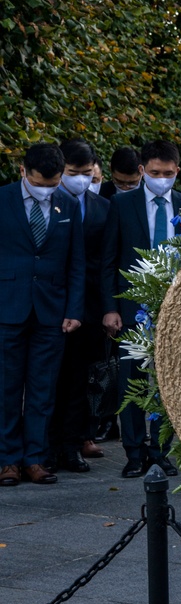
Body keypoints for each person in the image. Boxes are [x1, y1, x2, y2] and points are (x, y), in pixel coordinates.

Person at [0, 143, 85, 487]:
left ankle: (35, 458)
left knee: (42, 388)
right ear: (23, 171)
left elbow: (77, 262)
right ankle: (7, 460)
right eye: (40, 183)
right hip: (7, 305)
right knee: (6, 387)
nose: (47, 190)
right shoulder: (2, 199)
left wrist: (74, 309)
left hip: (52, 311)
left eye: (53, 183)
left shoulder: (69, 202)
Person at [102, 140, 181, 478]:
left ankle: (161, 450)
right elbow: (108, 260)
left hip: (178, 304)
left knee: (170, 379)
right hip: (132, 304)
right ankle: (135, 452)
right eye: (154, 173)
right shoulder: (121, 205)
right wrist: (110, 307)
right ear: (142, 171)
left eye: (168, 173)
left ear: (177, 171)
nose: (161, 178)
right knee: (132, 380)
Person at [48, 139, 113, 472]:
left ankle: (72, 444)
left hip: (88, 307)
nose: (82, 179)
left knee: (80, 380)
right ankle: (47, 445)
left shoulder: (102, 207)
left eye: (88, 173)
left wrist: (106, 306)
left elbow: (106, 262)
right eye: (75, 173)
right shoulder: (49, 203)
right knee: (48, 380)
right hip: (51, 302)